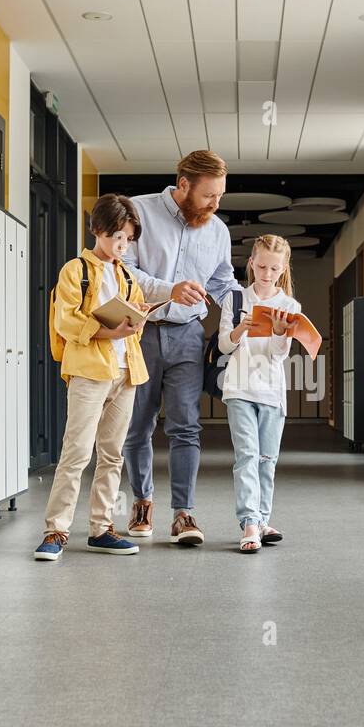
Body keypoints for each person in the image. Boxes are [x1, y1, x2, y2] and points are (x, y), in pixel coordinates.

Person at [119, 150, 239, 546]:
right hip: (142, 331)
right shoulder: (139, 211)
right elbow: (123, 269)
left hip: (188, 334)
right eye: (209, 195)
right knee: (138, 425)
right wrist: (167, 289)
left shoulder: (217, 230)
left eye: (220, 195)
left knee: (186, 425)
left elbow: (223, 284)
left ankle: (183, 513)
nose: (215, 204)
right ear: (183, 185)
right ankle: (142, 502)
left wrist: (254, 311)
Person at [35, 195, 155, 560]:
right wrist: (108, 333)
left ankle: (101, 528)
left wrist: (139, 316)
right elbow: (65, 320)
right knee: (76, 452)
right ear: (97, 230)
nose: (122, 246)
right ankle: (56, 530)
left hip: (126, 372)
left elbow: (132, 326)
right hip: (89, 371)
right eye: (117, 237)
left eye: (129, 240)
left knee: (113, 454)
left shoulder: (128, 276)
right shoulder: (76, 270)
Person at [217, 235, 300, 552]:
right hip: (239, 388)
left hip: (272, 392)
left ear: (283, 269)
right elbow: (224, 345)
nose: (266, 273)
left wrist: (280, 333)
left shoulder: (289, 306)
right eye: (262, 266)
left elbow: (279, 354)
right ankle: (249, 522)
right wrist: (242, 328)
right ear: (251, 263)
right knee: (247, 457)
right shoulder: (236, 299)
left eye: (274, 268)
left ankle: (263, 519)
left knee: (268, 460)